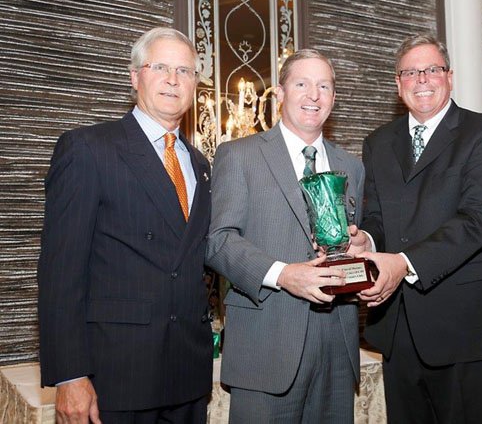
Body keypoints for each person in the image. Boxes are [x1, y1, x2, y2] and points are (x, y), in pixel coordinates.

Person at [38, 27, 213, 423]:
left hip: (187, 377)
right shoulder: (88, 148)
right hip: (115, 377)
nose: (173, 79)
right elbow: (60, 273)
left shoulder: (200, 166)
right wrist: (70, 375)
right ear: (135, 77)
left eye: (185, 71)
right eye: (161, 67)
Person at [351, 33, 482, 423]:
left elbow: (479, 220)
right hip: (398, 329)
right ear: (398, 83)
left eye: (432, 69)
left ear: (450, 76)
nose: (422, 79)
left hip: (468, 330)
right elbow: (376, 217)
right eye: (410, 72)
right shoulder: (378, 142)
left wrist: (402, 263)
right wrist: (365, 239)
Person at [206, 49, 365, 423]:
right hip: (266, 346)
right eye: (302, 84)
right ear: (279, 94)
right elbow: (218, 240)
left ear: (333, 98)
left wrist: (365, 243)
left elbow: (356, 240)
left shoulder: (351, 166)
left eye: (324, 86)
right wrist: (283, 274)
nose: (314, 95)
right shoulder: (239, 155)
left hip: (337, 351)